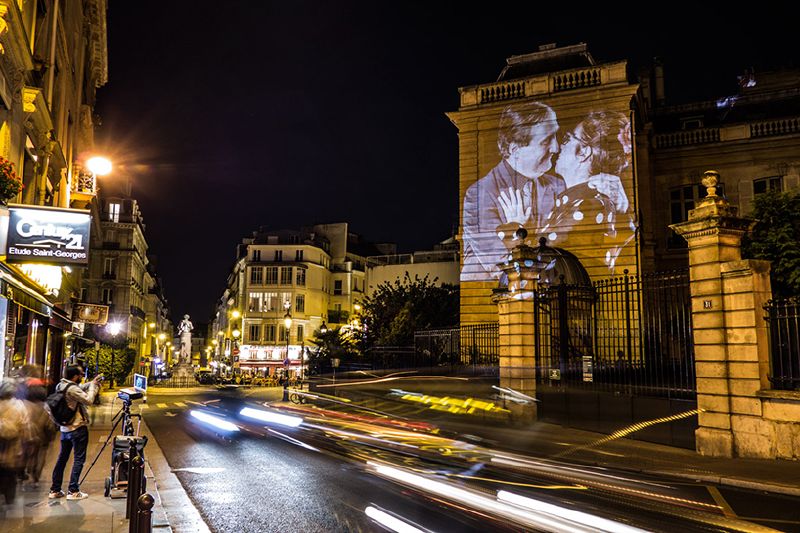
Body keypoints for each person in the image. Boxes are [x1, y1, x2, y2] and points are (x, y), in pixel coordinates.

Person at [462, 102, 563, 281]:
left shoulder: (557, 186)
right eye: (546, 140)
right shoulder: (479, 194)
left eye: (556, 136)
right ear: (514, 149)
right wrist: (516, 228)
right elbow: (502, 267)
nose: (556, 147)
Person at [543, 110, 636, 272]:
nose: (559, 146)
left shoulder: (588, 205)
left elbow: (545, 257)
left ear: (584, 152)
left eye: (567, 139)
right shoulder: (579, 203)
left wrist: (515, 229)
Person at [48, 364, 102, 501]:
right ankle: (73, 490)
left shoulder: (61, 385)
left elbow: (78, 389)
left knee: (62, 458)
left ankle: (55, 489)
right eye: (81, 374)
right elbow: (88, 400)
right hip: (77, 428)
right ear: (75, 376)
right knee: (79, 459)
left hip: (64, 429)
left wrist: (92, 382)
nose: (82, 376)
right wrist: (94, 388)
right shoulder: (72, 388)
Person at [0, 380, 27, 505]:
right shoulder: (19, 405)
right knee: (10, 474)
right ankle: (9, 498)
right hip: (13, 446)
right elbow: (25, 426)